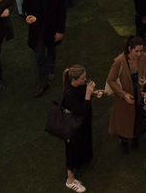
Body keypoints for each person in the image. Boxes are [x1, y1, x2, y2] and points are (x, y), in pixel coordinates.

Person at [106, 36, 146, 153]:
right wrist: (123, 94)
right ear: (129, 49)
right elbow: (111, 80)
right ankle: (124, 140)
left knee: (138, 117)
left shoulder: (145, 57)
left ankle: (136, 137)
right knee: (124, 120)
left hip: (140, 95)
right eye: (136, 51)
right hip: (125, 98)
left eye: (141, 50)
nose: (139, 54)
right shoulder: (119, 61)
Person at [24, 0, 67, 97]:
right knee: (39, 55)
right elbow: (25, 6)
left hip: (52, 28)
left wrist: (60, 31)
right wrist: (28, 15)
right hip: (37, 29)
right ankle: (44, 83)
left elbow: (62, 13)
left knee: (51, 49)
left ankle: (51, 68)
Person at [59, 64, 100, 193]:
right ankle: (70, 180)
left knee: (83, 144)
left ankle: (82, 162)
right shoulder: (69, 93)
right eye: (82, 78)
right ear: (74, 79)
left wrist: (93, 93)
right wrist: (88, 94)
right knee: (72, 151)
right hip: (73, 128)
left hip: (82, 125)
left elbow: (82, 98)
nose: (85, 80)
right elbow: (82, 111)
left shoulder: (80, 85)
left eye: (85, 77)